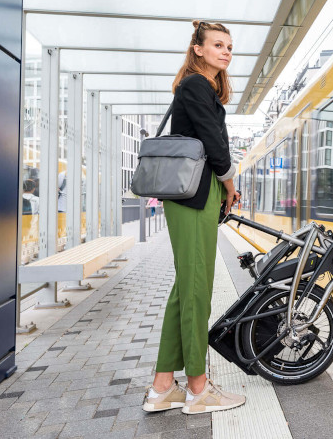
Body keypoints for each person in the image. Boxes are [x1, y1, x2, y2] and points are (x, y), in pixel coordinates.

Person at [144, 21, 245, 415]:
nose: (226, 52)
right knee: (198, 287)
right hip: (194, 197)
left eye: (230, 47)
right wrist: (230, 182)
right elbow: (214, 145)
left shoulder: (198, 87)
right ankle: (199, 390)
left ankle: (162, 387)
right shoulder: (195, 86)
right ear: (198, 49)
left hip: (192, 198)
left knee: (185, 289)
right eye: (218, 45)